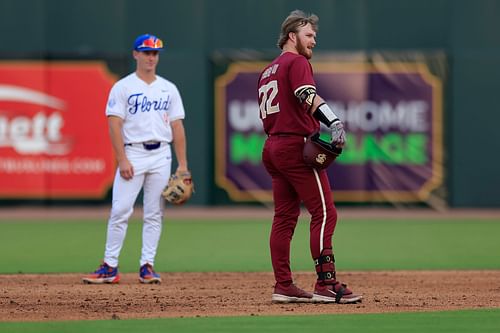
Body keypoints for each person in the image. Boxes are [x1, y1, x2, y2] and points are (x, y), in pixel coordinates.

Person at [258, 10, 362, 303]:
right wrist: (334, 121)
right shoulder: (297, 61)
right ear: (292, 36)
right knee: (325, 211)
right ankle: (326, 283)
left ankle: (284, 284)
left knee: (284, 217)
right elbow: (307, 95)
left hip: (273, 147)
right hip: (293, 146)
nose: (313, 40)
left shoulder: (268, 70)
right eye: (309, 35)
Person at [82, 33, 188, 284]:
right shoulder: (123, 86)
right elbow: (114, 125)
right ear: (135, 54)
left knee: (154, 213)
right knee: (120, 210)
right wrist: (122, 159)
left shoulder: (168, 88)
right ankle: (110, 266)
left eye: (155, 53)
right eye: (146, 52)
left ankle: (147, 266)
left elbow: (178, 127)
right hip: (133, 153)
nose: (151, 57)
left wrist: (182, 165)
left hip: (161, 154)